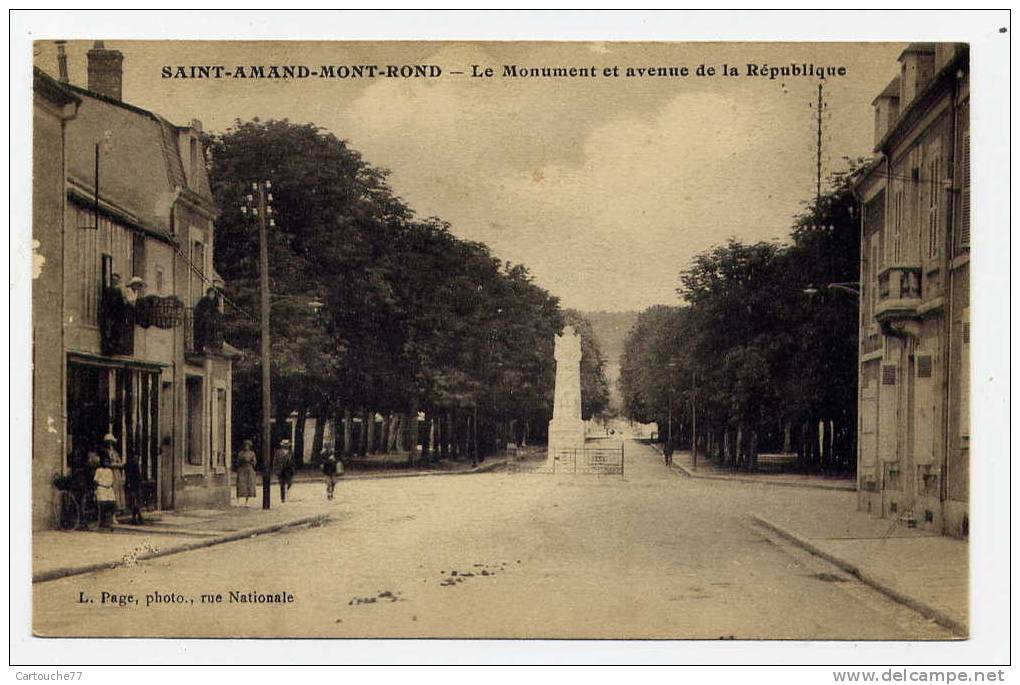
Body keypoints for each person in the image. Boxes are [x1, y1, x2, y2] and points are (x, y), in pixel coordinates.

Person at [101, 433, 126, 515]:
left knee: (118, 488)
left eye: (111, 442)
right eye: (108, 442)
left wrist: (117, 464)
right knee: (113, 489)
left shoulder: (115, 452)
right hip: (109, 472)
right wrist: (114, 465)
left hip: (117, 473)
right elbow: (106, 463)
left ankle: (119, 508)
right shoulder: (105, 452)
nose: (110, 444)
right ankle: (113, 510)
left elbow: (121, 463)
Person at [94, 454, 116, 530]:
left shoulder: (110, 470)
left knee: (112, 503)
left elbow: (112, 480)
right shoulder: (99, 470)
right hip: (102, 488)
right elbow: (96, 481)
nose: (106, 463)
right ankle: (102, 522)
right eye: (105, 461)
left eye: (107, 462)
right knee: (102, 505)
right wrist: (96, 489)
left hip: (108, 488)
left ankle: (109, 520)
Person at [235, 439, 258, 506]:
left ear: (249, 446)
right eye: (245, 445)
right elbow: (237, 462)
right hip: (242, 470)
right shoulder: (240, 453)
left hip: (249, 470)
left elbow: (254, 463)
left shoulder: (252, 453)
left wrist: (250, 462)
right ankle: (238, 501)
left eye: (248, 446)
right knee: (240, 485)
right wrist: (241, 462)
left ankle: (247, 502)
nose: (246, 447)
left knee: (249, 485)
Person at [124, 453, 144, 524]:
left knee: (136, 502)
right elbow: (129, 477)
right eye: (136, 458)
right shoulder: (131, 466)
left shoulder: (135, 465)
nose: (137, 460)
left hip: (136, 486)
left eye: (138, 458)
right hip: (132, 486)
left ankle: (136, 517)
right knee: (135, 502)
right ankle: (137, 517)